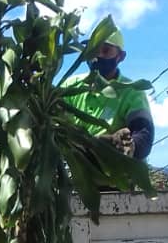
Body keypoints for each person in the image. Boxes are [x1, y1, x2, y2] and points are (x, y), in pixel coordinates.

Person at [64, 27, 154, 160]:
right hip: (76, 170)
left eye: (105, 50)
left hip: (115, 170)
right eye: (94, 49)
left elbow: (144, 133)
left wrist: (128, 145)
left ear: (120, 57)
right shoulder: (70, 86)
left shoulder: (132, 92)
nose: (98, 56)